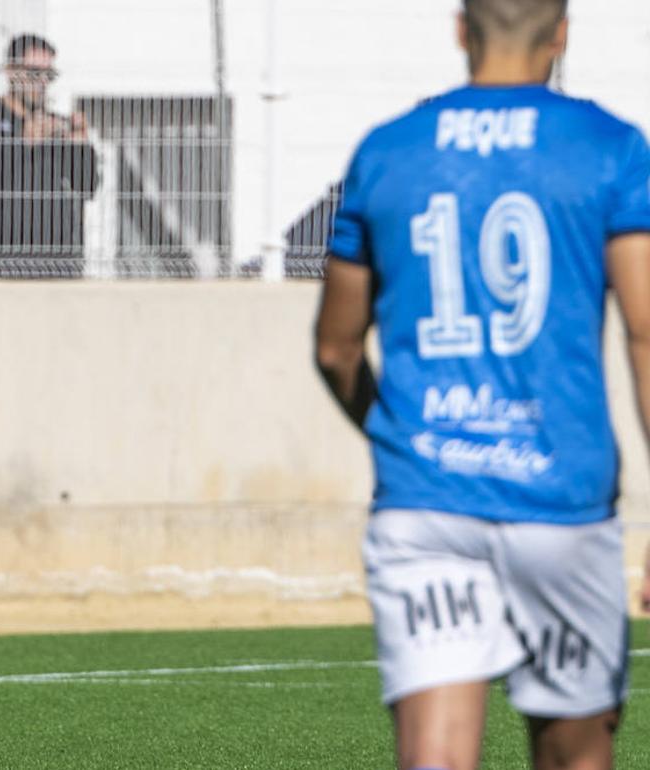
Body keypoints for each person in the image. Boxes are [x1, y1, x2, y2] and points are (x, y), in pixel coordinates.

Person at [313, 2, 650, 768]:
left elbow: (336, 348)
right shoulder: (610, 147)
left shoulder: (388, 151)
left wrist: (410, 443)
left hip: (426, 502)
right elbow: (645, 333)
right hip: (561, 504)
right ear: (562, 34)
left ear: (460, 31)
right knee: (577, 754)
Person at [0, 32, 98, 279]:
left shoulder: (57, 125)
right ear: (10, 71)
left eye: (48, 75)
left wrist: (81, 146)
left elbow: (88, 186)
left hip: (60, 262)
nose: (41, 82)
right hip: (6, 259)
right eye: (33, 73)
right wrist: (22, 143)